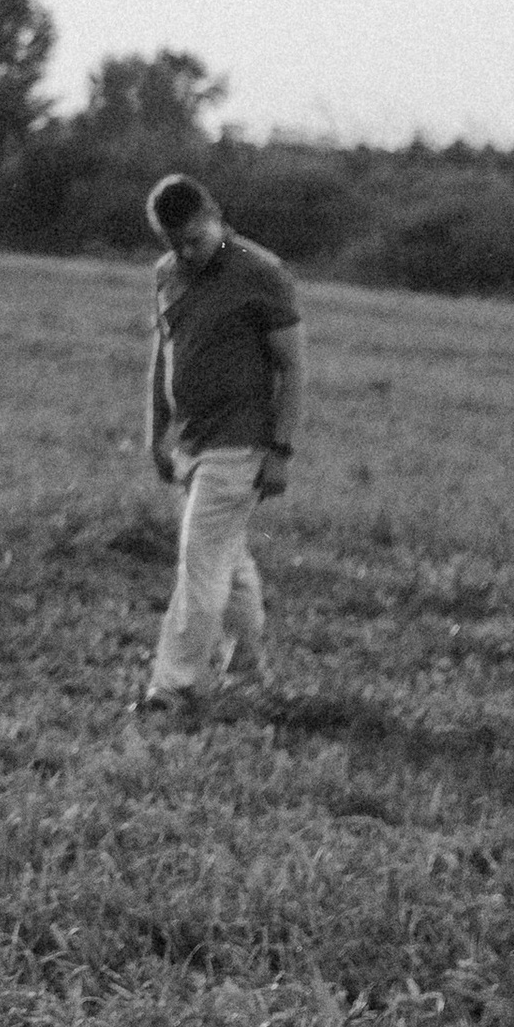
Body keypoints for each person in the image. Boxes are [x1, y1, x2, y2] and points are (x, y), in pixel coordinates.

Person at [134, 171, 306, 718]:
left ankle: (174, 686)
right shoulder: (167, 274)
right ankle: (248, 670)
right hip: (190, 441)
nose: (187, 252)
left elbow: (293, 368)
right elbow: (163, 357)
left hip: (242, 443)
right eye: (175, 244)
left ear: (215, 215)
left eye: (195, 240)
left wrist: (281, 451)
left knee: (199, 559)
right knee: (226, 561)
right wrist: (155, 432)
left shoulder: (263, 274)